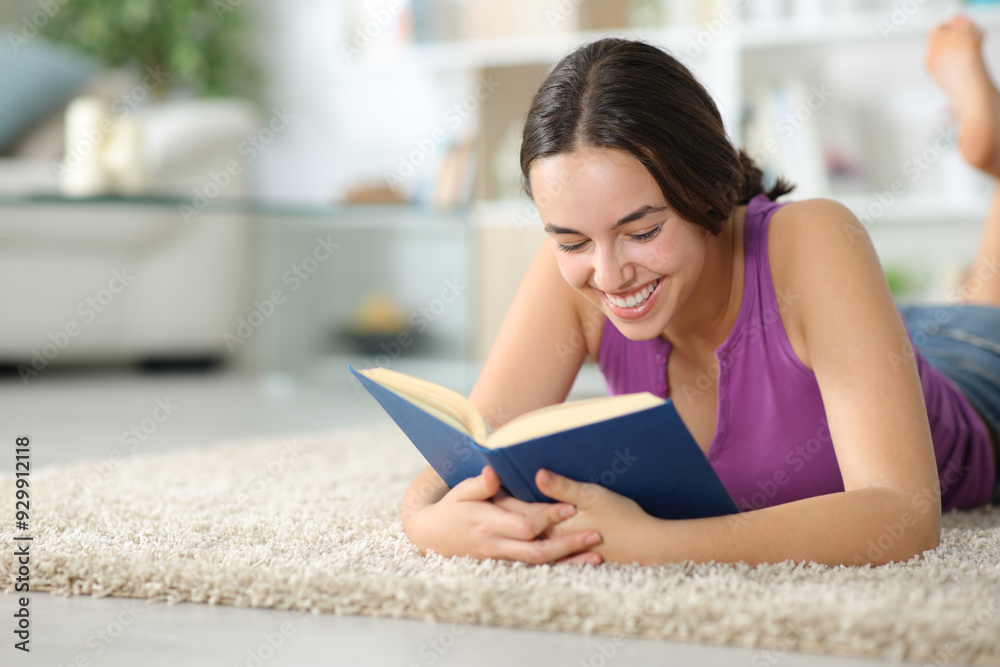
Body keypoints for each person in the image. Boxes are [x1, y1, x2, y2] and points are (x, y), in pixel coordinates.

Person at [400, 15, 1000, 568]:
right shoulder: (575, 270)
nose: (607, 276)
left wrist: (657, 545)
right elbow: (468, 448)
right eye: (572, 241)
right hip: (865, 336)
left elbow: (904, 514)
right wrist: (426, 522)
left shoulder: (813, 238)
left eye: (642, 232)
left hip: (979, 370)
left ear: (708, 188)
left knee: (987, 311)